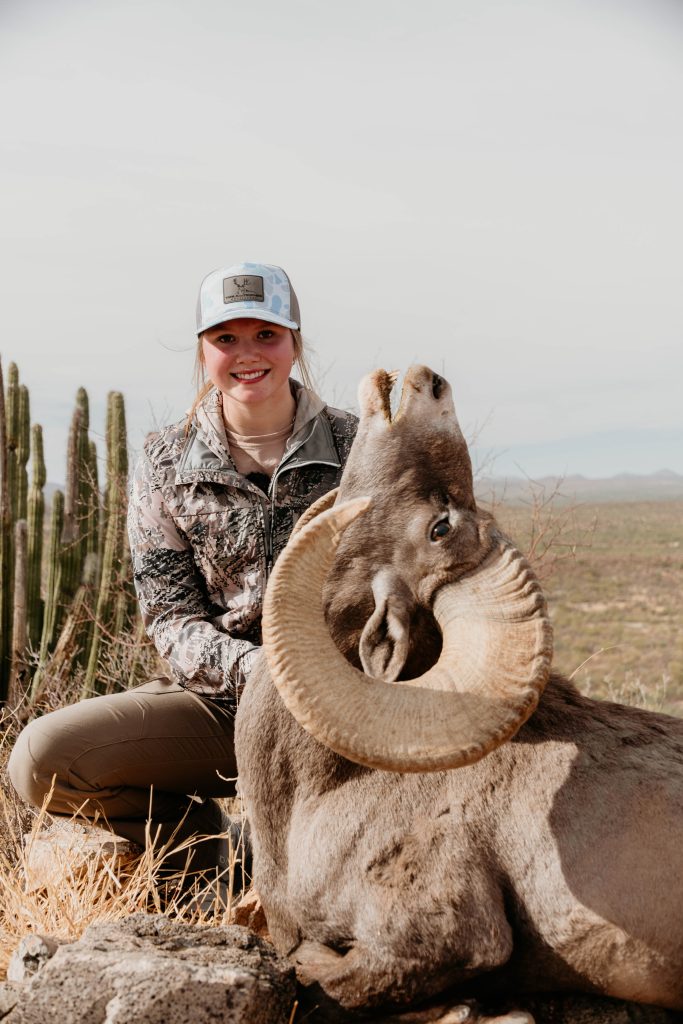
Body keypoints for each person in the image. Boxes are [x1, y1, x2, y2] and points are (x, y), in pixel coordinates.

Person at [9, 262, 358, 900]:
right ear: (203, 351)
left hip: (352, 702)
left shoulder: (360, 448)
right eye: (226, 338)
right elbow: (172, 619)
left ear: (295, 341)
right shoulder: (164, 461)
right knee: (41, 759)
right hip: (227, 703)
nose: (247, 355)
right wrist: (267, 674)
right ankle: (218, 851)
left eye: (266, 335)